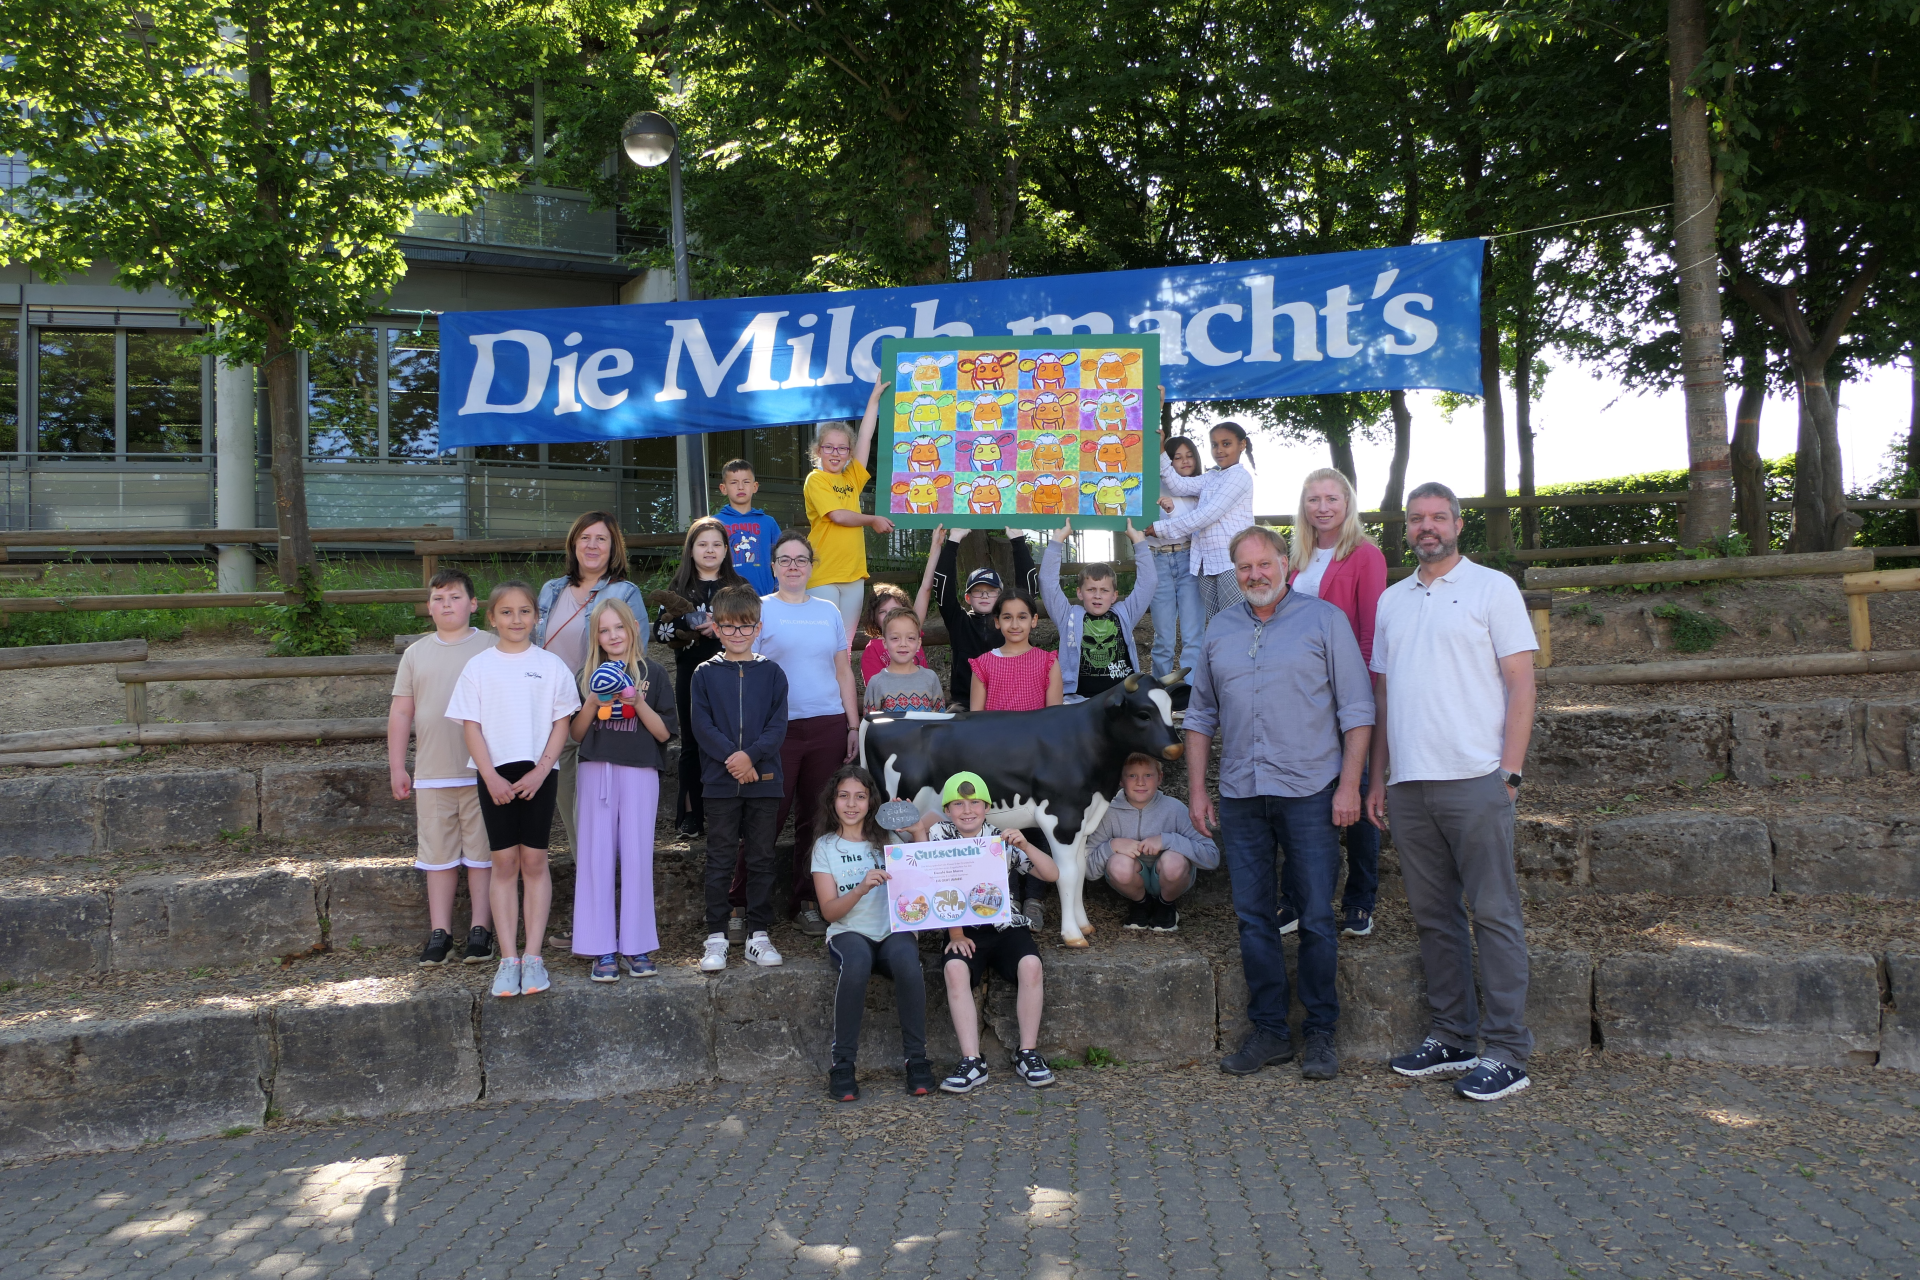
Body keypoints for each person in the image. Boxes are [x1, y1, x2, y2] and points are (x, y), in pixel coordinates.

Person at [1368, 482, 1539, 1103]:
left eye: (1438, 517)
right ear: (1406, 527)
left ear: (1459, 524)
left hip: (1476, 778)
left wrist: (1509, 773)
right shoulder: (1391, 600)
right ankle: (1452, 1036)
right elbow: (1384, 696)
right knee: (1434, 917)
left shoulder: (1493, 588)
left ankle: (1508, 1051)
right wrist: (1379, 777)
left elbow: (1522, 684)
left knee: (1494, 915)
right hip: (1410, 784)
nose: (1427, 527)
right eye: (1417, 519)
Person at [1185, 525, 1373, 1082]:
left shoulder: (1324, 621)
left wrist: (1349, 786)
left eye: (1264, 564)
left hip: (1311, 791)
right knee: (1252, 918)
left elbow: (1357, 709)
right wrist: (1197, 789)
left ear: (1284, 564)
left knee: (1315, 916)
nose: (1255, 575)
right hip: (1242, 793)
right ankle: (1269, 1031)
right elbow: (1200, 715)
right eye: (1244, 568)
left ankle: (1320, 1033)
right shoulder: (1220, 628)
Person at [446, 581, 582, 1000]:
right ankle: (508, 959)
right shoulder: (478, 667)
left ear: (536, 617)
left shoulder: (551, 666)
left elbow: (562, 722)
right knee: (504, 862)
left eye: (524, 611)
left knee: (535, 860)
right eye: (506, 612)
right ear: (491, 618)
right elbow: (471, 725)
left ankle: (533, 956)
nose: (516, 619)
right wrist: (489, 775)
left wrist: (541, 771)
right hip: (495, 775)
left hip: (539, 774)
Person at [1285, 467, 1390, 940]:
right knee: (1301, 797)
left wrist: (1360, 696)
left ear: (1347, 503)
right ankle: (1296, 898)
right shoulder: (1297, 557)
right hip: (1302, 699)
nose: (1323, 507)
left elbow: (1370, 631)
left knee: (1361, 792)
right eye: (1314, 499)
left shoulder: (1365, 555)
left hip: (1348, 694)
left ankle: (1360, 899)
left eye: (1332, 498)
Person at [904, 772, 1058, 1093]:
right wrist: (955, 934)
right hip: (961, 927)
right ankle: (972, 1060)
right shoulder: (940, 834)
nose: (967, 810)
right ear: (947, 810)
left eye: (975, 803)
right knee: (955, 969)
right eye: (958, 804)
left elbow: (1051, 873)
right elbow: (928, 875)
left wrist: (1026, 844)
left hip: (1004, 924)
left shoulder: (999, 839)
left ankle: (1028, 1052)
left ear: (987, 807)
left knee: (1031, 965)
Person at [387, 568, 497, 966]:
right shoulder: (416, 653)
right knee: (438, 856)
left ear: (473, 604)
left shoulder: (492, 646)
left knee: (483, 854)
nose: (446, 605)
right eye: (438, 598)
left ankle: (481, 929)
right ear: (428, 607)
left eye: (455, 597)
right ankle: (441, 932)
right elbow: (402, 711)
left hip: (483, 773)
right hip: (433, 773)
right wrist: (398, 766)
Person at [754, 531, 861, 938]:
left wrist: (852, 724)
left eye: (801, 559)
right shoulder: (761, 609)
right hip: (777, 731)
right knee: (767, 816)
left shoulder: (828, 611)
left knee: (816, 820)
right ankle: (742, 904)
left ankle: (807, 902)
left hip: (827, 725)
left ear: (812, 566)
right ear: (773, 567)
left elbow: (843, 670)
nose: (794, 566)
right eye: (785, 559)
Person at [810, 766, 934, 1101]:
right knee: (856, 964)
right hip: (850, 932)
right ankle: (842, 1064)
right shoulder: (825, 847)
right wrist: (860, 888)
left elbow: (923, 875)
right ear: (832, 801)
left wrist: (918, 831)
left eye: (860, 797)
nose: (852, 804)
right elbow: (829, 912)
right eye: (844, 796)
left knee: (908, 962)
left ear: (871, 802)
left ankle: (917, 1059)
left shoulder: (888, 839)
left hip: (893, 931)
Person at [568, 597, 676, 982]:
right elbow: (576, 734)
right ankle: (600, 947)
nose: (613, 636)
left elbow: (664, 733)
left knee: (636, 858)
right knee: (596, 859)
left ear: (633, 628)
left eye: (619, 627)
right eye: (604, 630)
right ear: (595, 636)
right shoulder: (585, 675)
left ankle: (636, 944)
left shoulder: (654, 673)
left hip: (640, 772)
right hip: (596, 771)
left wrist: (636, 699)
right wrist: (593, 701)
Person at [533, 511, 648, 853]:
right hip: (553, 709)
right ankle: (586, 873)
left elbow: (636, 655)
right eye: (585, 537)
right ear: (574, 544)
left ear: (613, 547)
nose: (592, 545)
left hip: (599, 710)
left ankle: (610, 871)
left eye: (601, 538)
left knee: (598, 809)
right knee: (570, 806)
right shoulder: (551, 590)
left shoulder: (625, 592)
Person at [690, 585, 789, 973]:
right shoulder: (704, 674)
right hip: (720, 782)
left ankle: (758, 934)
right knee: (720, 858)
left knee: (761, 858)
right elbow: (702, 725)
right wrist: (735, 759)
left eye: (745, 626)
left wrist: (751, 757)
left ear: (758, 628)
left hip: (765, 779)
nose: (737, 633)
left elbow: (777, 726)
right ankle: (716, 935)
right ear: (715, 627)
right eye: (728, 626)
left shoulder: (773, 673)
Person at [655, 517, 747, 840]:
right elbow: (661, 632)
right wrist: (690, 624)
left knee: (732, 741)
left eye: (716, 544)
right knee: (692, 744)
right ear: (691, 549)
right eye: (702, 544)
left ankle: (734, 815)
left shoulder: (740, 586)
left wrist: (720, 629)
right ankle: (691, 815)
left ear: (726, 550)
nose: (710, 550)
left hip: (732, 675)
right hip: (690, 674)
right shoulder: (678, 587)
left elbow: (752, 626)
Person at [1084, 752, 1218, 932]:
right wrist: (1112, 846)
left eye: (1148, 775)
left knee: (1173, 861)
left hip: (1170, 877)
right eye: (1132, 775)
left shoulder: (1175, 809)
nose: (1141, 782)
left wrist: (1167, 840)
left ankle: (1166, 905)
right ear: (1120, 780)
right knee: (1118, 863)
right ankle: (1142, 904)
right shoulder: (1108, 813)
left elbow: (1212, 857)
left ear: (1159, 778)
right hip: (1132, 879)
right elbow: (1089, 870)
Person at [805, 378, 894, 638]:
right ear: (818, 451)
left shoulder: (852, 477)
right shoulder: (816, 479)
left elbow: (865, 435)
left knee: (844, 643)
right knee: (823, 641)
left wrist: (874, 399)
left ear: (849, 452)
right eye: (829, 447)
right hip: (823, 573)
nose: (835, 453)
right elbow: (838, 515)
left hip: (853, 574)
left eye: (842, 448)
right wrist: (872, 520)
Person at [915, 525, 1038, 708]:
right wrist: (953, 540)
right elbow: (943, 589)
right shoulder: (959, 622)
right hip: (964, 704)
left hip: (1006, 703)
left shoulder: (1010, 623)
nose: (984, 596)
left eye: (991, 591)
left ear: (1001, 595)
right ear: (968, 598)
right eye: (978, 591)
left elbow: (1028, 591)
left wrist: (1018, 541)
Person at [1039, 519, 1156, 701]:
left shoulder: (1125, 614)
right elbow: (1047, 583)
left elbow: (1148, 583)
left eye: (1104, 590)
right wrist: (1057, 541)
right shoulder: (1068, 617)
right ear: (1080, 593)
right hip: (1079, 700)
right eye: (1091, 589)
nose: (1097, 595)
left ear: (1114, 595)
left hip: (1122, 698)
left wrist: (1139, 543)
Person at [1152, 421, 1257, 622]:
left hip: (1231, 562)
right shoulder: (1212, 477)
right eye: (1214, 445)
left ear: (1242, 445)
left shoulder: (1239, 477)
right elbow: (1178, 485)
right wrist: (1162, 451)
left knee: (1234, 624)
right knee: (1216, 625)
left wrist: (1161, 528)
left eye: (1226, 444)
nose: (1219, 450)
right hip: (1206, 564)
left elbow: (1206, 515)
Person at [1147, 435, 1207, 697]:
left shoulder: (1200, 488)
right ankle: (1158, 692)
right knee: (1164, 637)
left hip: (1189, 559)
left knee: (1193, 634)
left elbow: (1194, 526)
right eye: (1177, 457)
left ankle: (1190, 692)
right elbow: (1144, 526)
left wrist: (1171, 513)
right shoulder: (1154, 485)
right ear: (1167, 461)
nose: (1185, 461)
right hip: (1157, 559)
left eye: (1189, 455)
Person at [968, 591, 1061, 712]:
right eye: (1007, 617)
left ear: (1034, 620)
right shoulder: (982, 664)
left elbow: (1054, 716)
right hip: (995, 725)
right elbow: (976, 717)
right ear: (997, 621)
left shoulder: (1048, 662)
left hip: (1037, 725)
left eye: (1022, 617)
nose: (1015, 625)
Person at [715, 457, 781, 595]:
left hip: (764, 598)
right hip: (726, 599)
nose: (740, 487)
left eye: (746, 482)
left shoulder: (768, 523)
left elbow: (782, 557)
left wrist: (780, 589)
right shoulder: (715, 523)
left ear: (755, 487)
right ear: (723, 488)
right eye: (734, 482)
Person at [863, 610, 945, 715]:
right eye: (895, 638)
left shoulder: (930, 678)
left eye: (910, 638)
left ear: (918, 643)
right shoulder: (876, 683)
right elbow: (869, 722)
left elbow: (941, 718)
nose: (903, 644)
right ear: (885, 643)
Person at [858, 582, 928, 684]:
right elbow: (874, 687)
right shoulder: (872, 649)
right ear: (874, 617)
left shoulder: (912, 635)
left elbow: (925, 589)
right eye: (882, 611)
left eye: (895, 610)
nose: (889, 615)